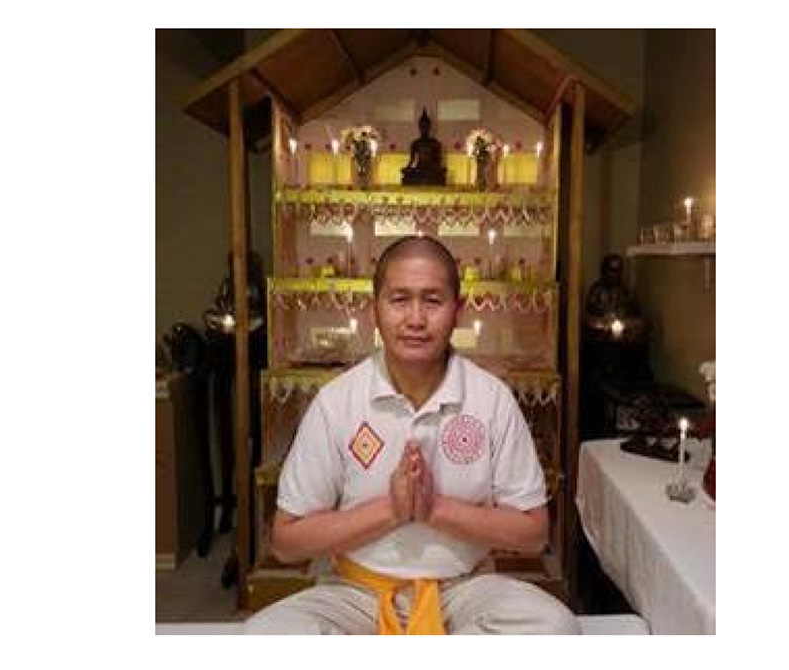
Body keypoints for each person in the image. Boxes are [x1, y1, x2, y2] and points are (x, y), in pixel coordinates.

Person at [242, 236, 579, 635]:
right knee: (263, 637)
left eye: (433, 300)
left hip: (464, 592)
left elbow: (533, 533)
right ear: (374, 311)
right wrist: (392, 510)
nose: (416, 319)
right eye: (399, 299)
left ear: (458, 311)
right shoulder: (338, 402)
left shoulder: (490, 399)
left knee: (554, 626)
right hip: (356, 592)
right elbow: (286, 540)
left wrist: (435, 509)